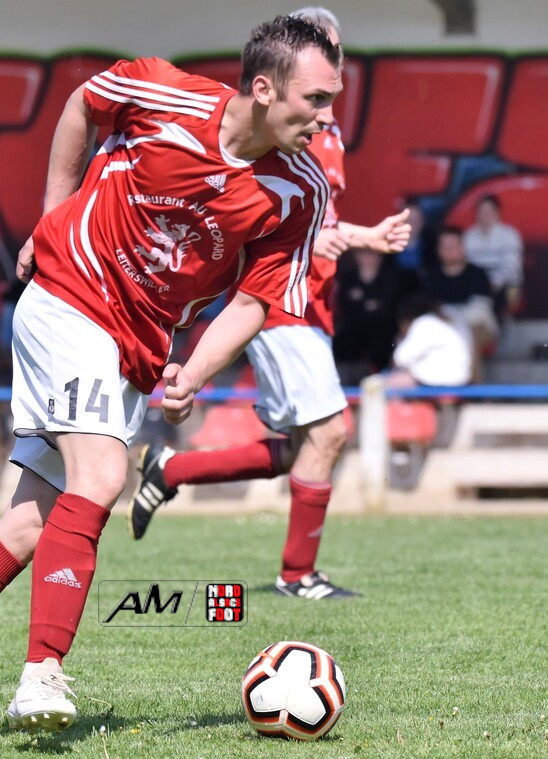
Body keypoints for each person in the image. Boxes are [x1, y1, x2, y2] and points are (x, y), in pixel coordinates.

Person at [0, 15, 354, 748]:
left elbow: (252, 301)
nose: (328, 117)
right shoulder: (165, 93)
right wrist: (53, 216)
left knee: (30, 525)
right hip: (70, 296)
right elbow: (83, 103)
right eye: (317, 99)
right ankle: (42, 673)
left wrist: (194, 371)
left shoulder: (299, 192)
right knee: (103, 474)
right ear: (264, 89)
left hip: (134, 346)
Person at [128, 6, 411, 601]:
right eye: (322, 51)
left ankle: (171, 469)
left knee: (303, 447)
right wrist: (346, 238)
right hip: (282, 300)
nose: (332, 63)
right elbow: (264, 215)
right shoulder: (279, 132)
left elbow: (317, 220)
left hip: (313, 297)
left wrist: (362, 236)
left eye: (336, 52)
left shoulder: (322, 130)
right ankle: (297, 576)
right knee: (329, 433)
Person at [421, 225, 497, 381]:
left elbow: (480, 312)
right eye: (444, 246)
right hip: (440, 326)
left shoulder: (478, 274)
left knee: (467, 339)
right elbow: (427, 309)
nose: (448, 251)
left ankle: (473, 390)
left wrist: (452, 320)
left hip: (477, 325)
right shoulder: (430, 276)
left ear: (462, 248)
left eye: (453, 246)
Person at [333, 246, 414, 376]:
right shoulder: (349, 278)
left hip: (385, 334)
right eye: (363, 252)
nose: (368, 257)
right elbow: (345, 310)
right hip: (354, 335)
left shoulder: (393, 278)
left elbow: (393, 309)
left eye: (372, 253)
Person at [384, 292, 473, 388]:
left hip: (439, 384)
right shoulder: (455, 316)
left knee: (387, 383)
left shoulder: (425, 323)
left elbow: (400, 358)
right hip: (462, 381)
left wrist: (400, 340)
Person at [462, 195, 524, 319]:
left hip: (506, 284)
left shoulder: (509, 235)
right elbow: (465, 264)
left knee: (502, 300)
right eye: (481, 211)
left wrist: (496, 282)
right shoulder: (468, 236)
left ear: (497, 213)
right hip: (477, 284)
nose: (484, 215)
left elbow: (511, 265)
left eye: (488, 211)